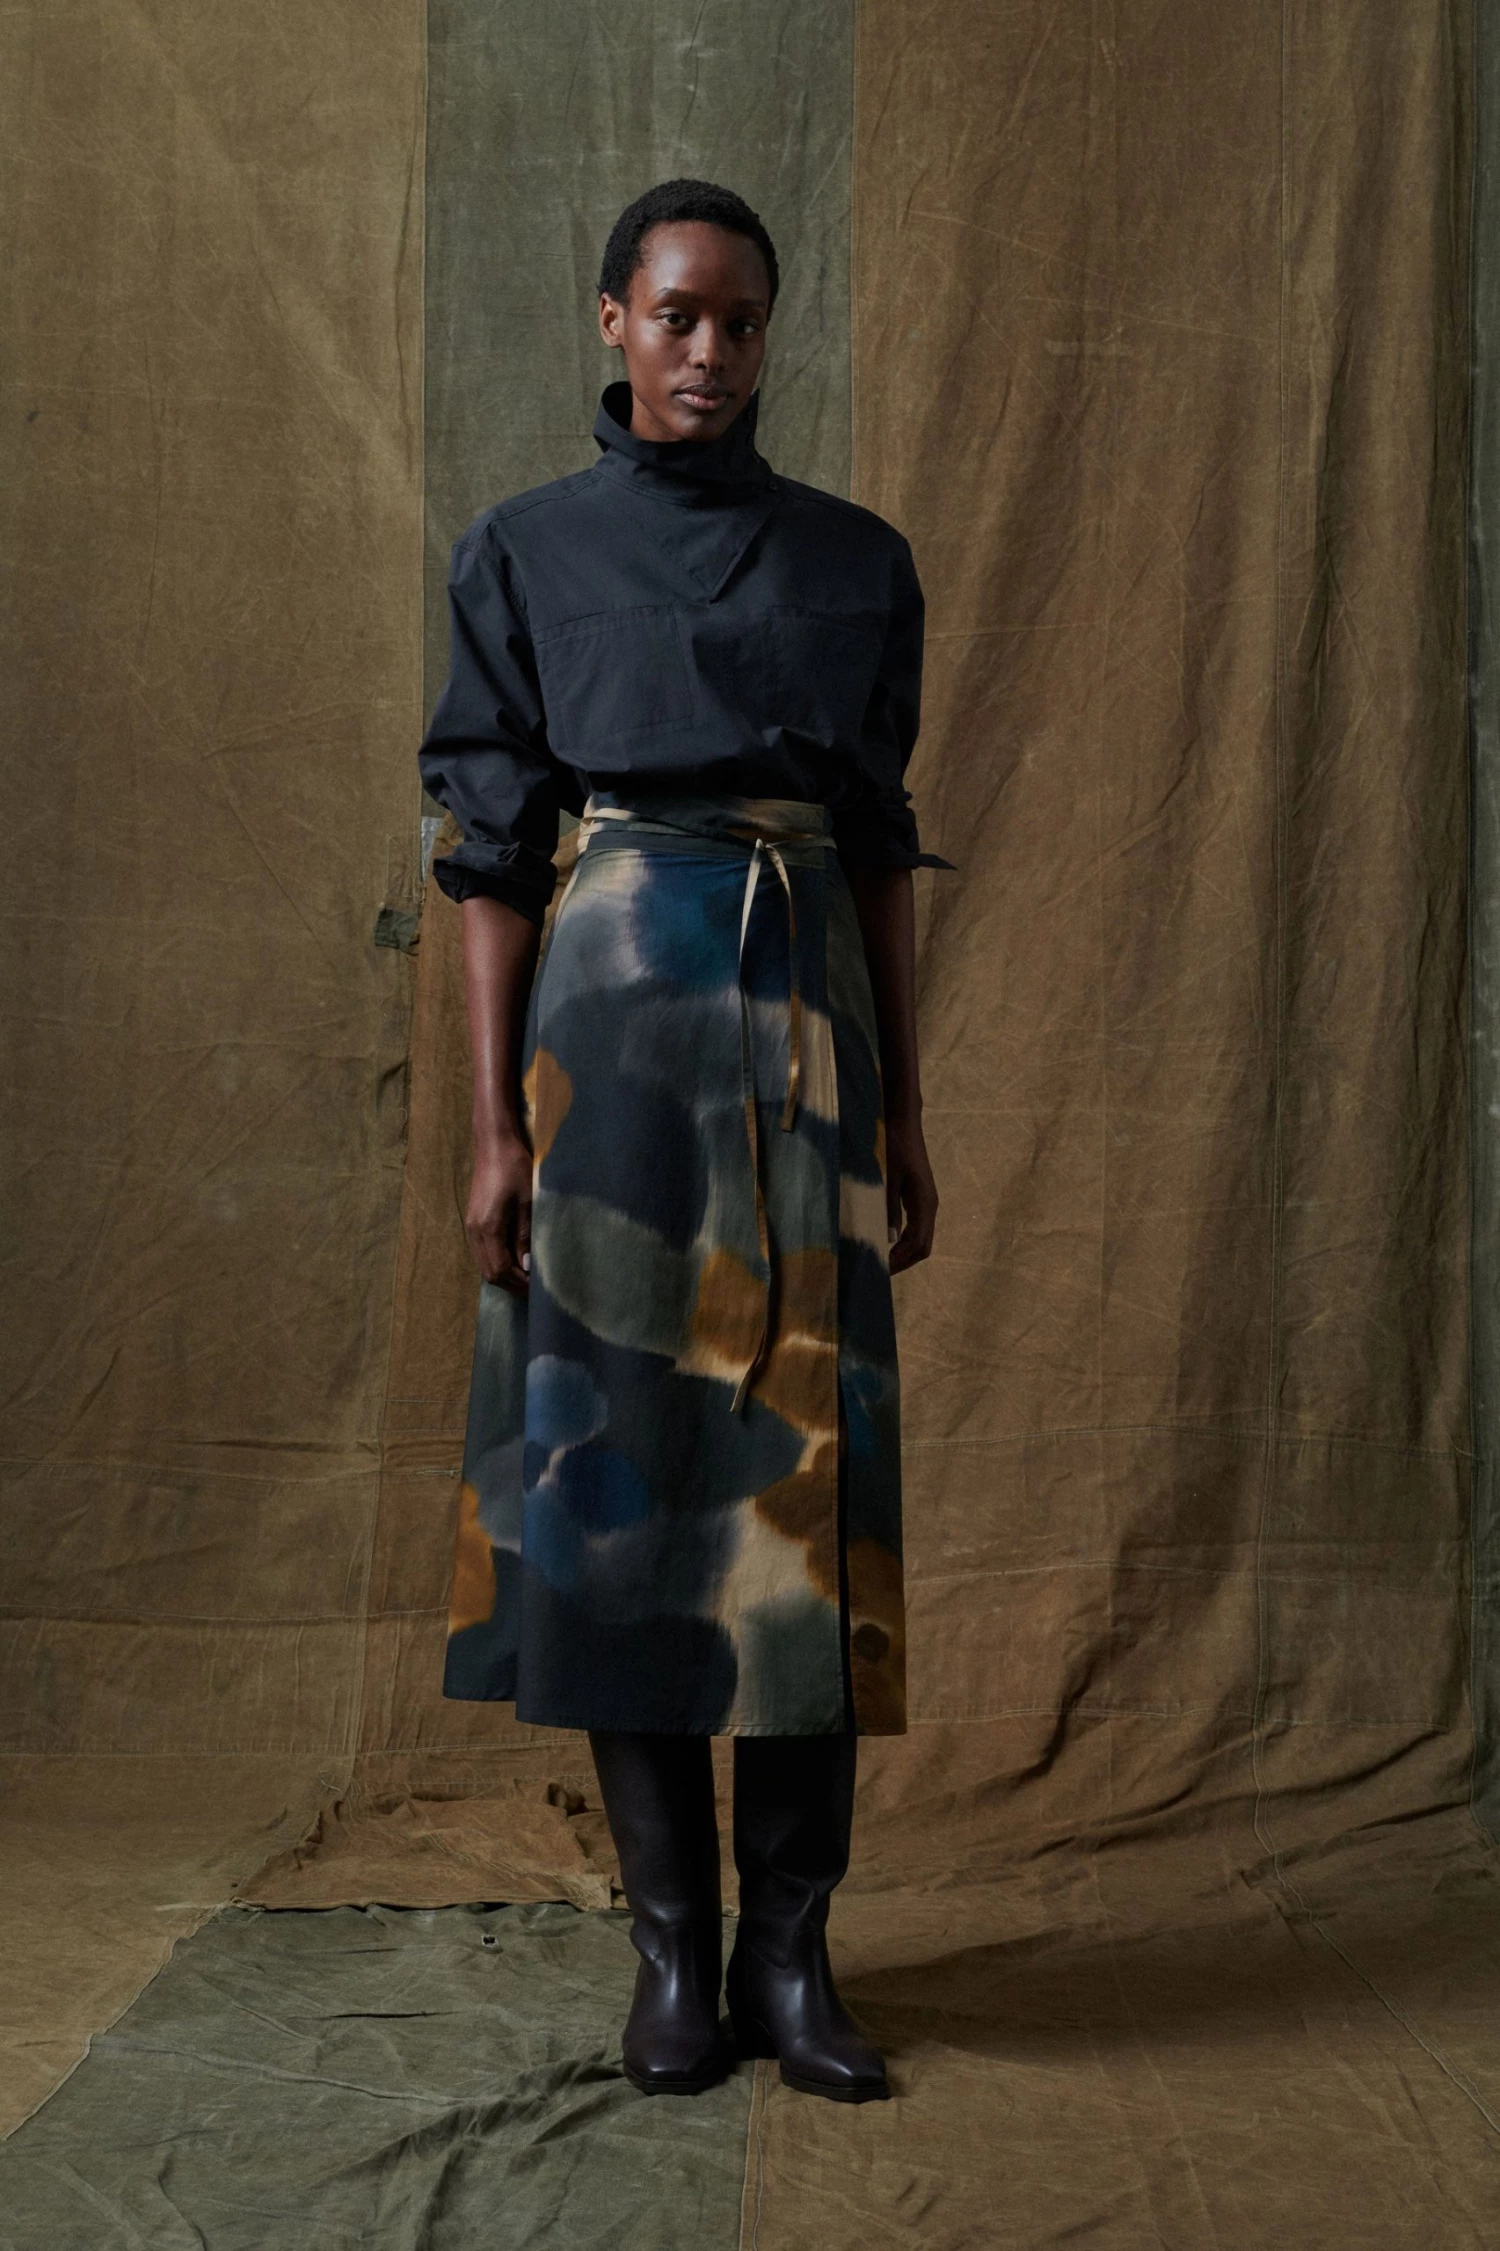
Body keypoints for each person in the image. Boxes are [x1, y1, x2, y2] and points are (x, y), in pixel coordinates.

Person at [417, 178, 954, 2106]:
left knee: (807, 1501)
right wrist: (497, 1125)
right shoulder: (525, 552)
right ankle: (670, 1953)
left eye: (739, 322)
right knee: (618, 1492)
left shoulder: (857, 561)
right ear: (611, 321)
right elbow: (491, 862)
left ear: (766, 336)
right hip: (608, 1063)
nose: (709, 352)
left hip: (806, 1038)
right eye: (675, 316)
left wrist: (905, 1101)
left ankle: (790, 1957)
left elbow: (877, 848)